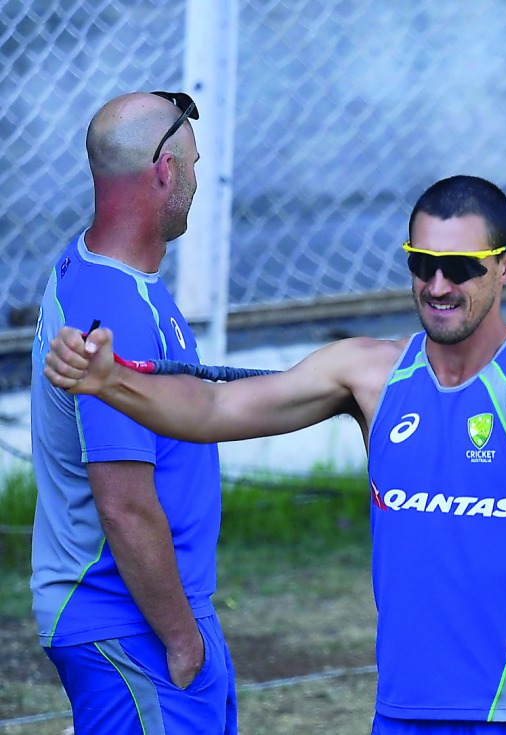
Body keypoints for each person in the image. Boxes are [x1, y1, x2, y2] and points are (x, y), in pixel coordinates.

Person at [44, 174, 506, 735]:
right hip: (405, 715)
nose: (439, 285)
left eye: (463, 268)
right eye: (422, 264)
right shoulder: (371, 374)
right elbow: (214, 412)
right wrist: (107, 381)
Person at [29, 91, 238, 732]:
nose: (198, 183)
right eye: (194, 166)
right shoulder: (114, 310)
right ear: (166, 172)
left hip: (147, 614)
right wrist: (182, 640)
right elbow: (124, 503)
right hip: (131, 622)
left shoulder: (113, 277)